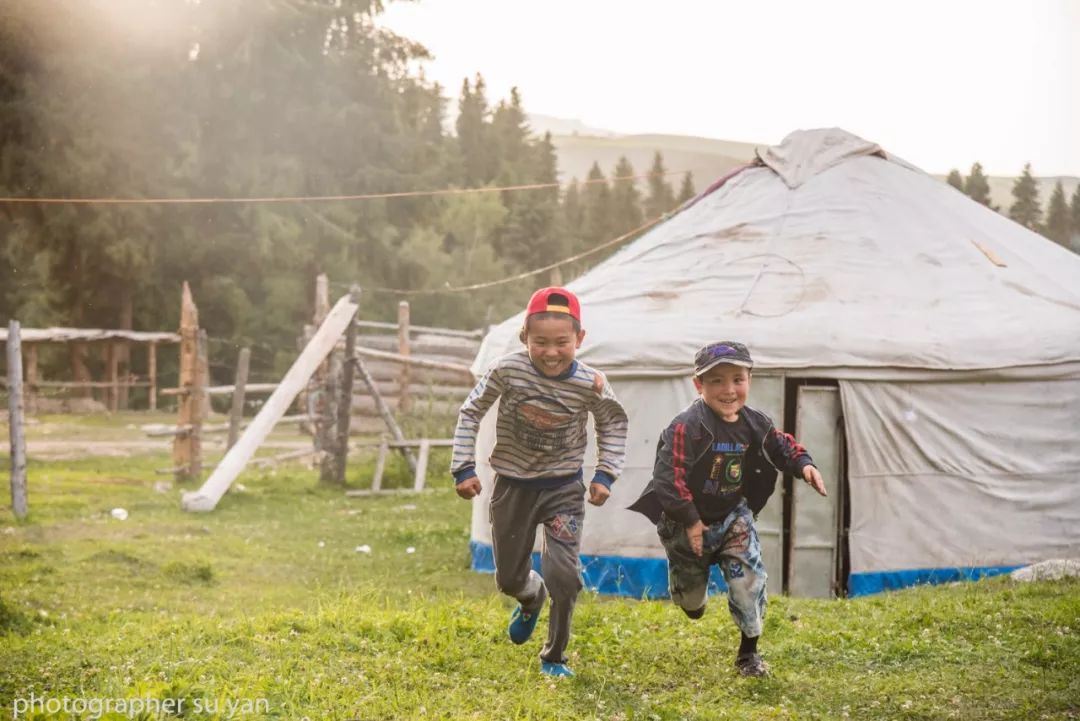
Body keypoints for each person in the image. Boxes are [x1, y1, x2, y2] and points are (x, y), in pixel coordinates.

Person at [451, 287, 628, 678]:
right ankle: (531, 596)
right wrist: (463, 467)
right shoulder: (507, 370)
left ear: (579, 339)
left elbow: (613, 422)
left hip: (563, 489)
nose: (551, 352)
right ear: (524, 338)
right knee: (508, 578)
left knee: (564, 575)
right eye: (540, 342)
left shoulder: (591, 383)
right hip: (513, 486)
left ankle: (554, 656)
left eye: (562, 342)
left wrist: (605, 473)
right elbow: (471, 411)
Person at [629, 341, 827, 677]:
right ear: (699, 385)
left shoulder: (755, 423)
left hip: (733, 516)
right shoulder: (686, 426)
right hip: (684, 520)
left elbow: (781, 445)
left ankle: (748, 654)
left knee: (748, 581)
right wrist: (691, 521)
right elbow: (668, 478)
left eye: (737, 379)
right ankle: (693, 597)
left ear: (750, 379)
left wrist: (804, 465)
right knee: (690, 602)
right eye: (717, 380)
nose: (729, 390)